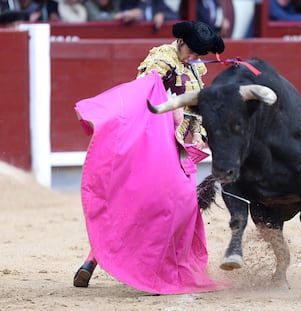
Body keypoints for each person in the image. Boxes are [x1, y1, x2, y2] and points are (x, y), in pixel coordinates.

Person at [73, 20, 227, 295]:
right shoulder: (162, 58)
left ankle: (92, 260)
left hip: (180, 148)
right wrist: (170, 112)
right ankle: (155, 269)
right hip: (157, 144)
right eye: (191, 51)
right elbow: (143, 91)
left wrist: (200, 133)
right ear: (180, 42)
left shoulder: (192, 67)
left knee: (158, 205)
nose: (193, 58)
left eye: (198, 54)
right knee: (171, 205)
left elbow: (194, 107)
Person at [114, 0, 178, 30]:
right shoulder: (129, 2)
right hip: (132, 37)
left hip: (153, 38)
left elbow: (175, 16)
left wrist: (163, 15)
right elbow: (116, 15)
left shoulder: (156, 2)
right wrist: (126, 14)